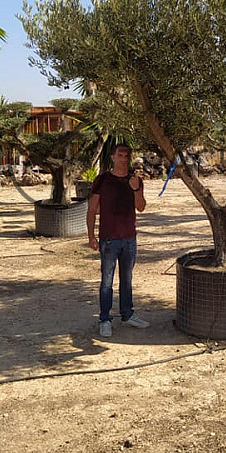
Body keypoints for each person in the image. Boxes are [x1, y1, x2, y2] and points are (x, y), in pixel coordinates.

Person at [87, 144, 149, 336]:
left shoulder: (135, 180)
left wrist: (136, 189)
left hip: (129, 238)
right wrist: (91, 235)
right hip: (109, 239)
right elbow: (91, 209)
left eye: (126, 155)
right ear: (112, 157)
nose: (124, 158)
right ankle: (105, 319)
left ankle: (127, 314)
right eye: (120, 155)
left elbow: (141, 207)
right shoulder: (102, 180)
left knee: (127, 279)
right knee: (106, 281)